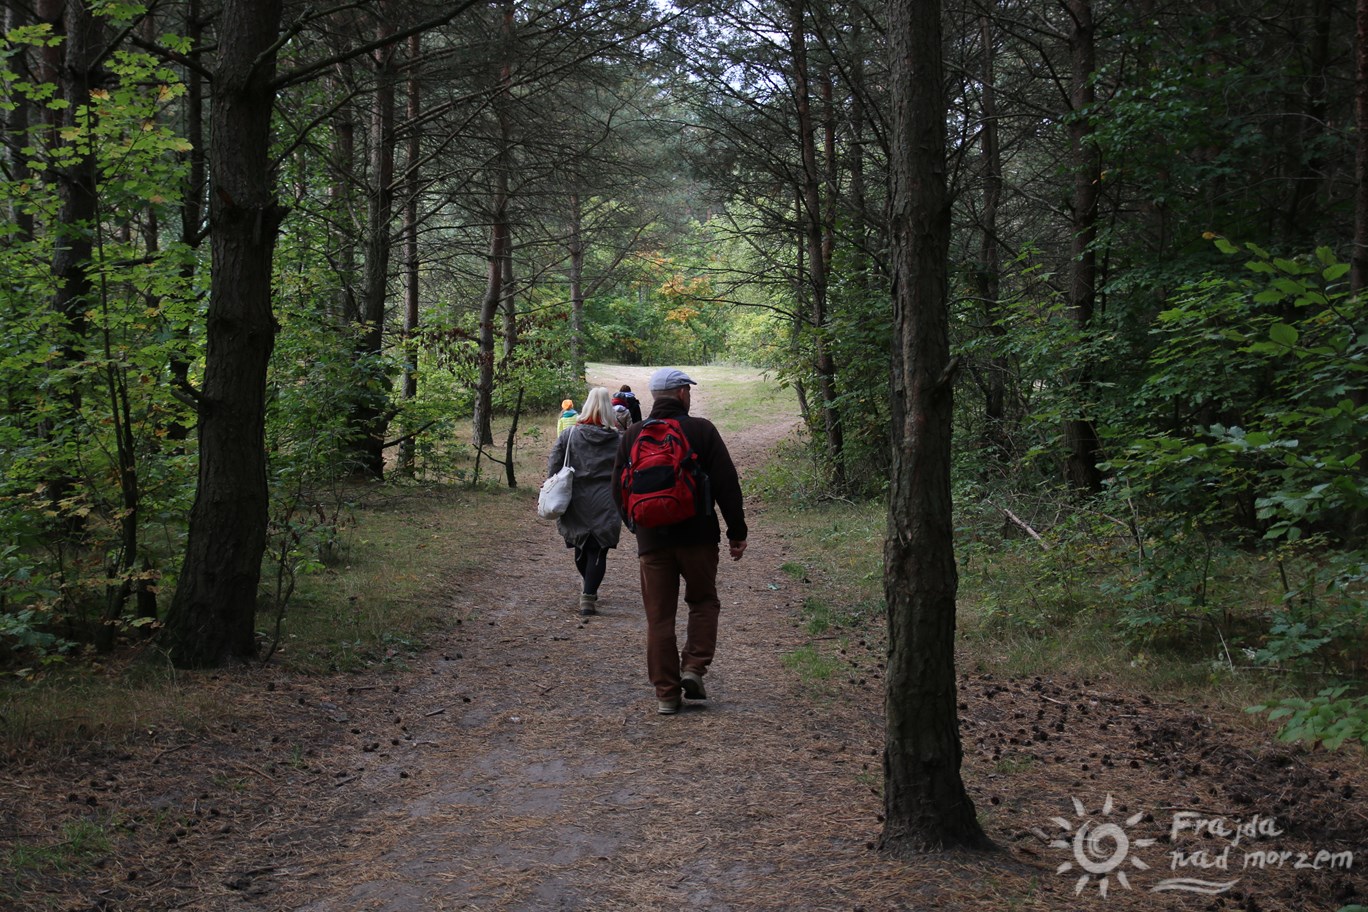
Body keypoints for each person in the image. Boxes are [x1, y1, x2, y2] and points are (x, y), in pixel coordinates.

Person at [612, 368, 748, 715]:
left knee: (659, 619)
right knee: (702, 602)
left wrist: (637, 526)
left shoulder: (632, 435)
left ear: (656, 396)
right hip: (698, 537)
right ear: (683, 393)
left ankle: (667, 695)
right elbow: (726, 484)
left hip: (652, 542)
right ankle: (693, 667)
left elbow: (617, 489)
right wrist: (737, 532)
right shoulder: (701, 430)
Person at [547, 388, 623, 616]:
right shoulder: (619, 439)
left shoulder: (569, 435)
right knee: (599, 550)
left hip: (575, 498)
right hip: (607, 500)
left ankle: (588, 590)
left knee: (580, 545)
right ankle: (589, 595)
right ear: (609, 409)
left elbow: (554, 465)